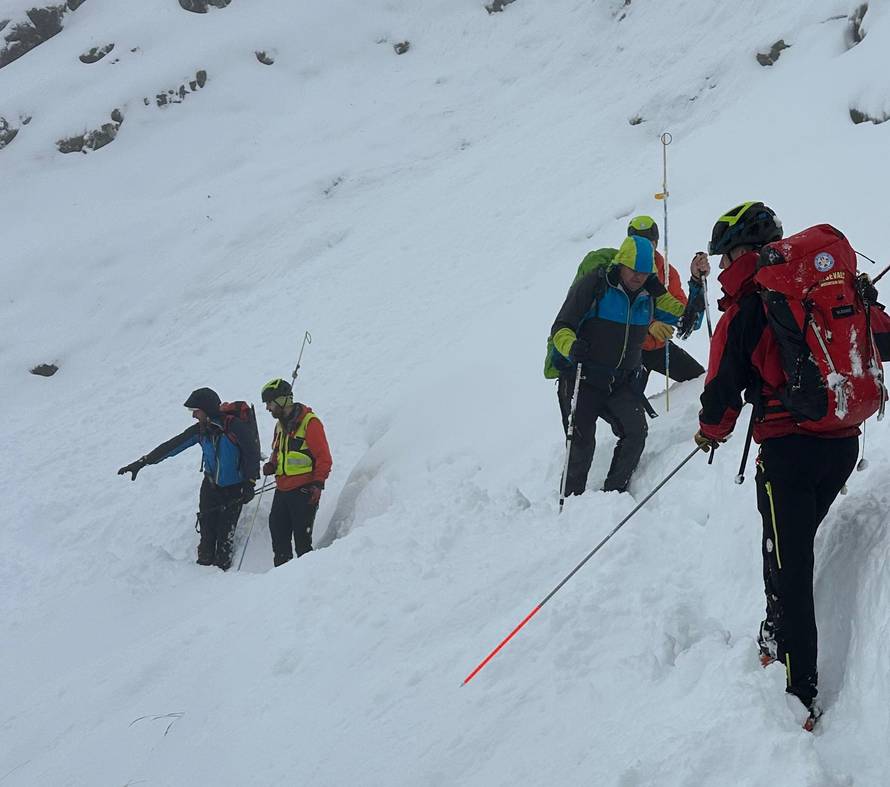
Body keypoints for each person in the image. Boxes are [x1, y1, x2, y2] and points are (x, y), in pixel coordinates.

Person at [694, 201, 890, 727]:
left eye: (725, 256)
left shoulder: (748, 308)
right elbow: (883, 335)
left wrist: (711, 432)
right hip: (842, 443)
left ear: (738, 253)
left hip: (788, 453)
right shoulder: (819, 293)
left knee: (791, 564)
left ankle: (799, 691)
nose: (723, 267)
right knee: (787, 550)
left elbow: (721, 389)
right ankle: (775, 631)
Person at [548, 234, 693, 495]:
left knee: (636, 433)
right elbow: (561, 326)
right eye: (632, 270)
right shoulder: (595, 285)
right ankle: (570, 503)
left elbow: (685, 316)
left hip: (620, 381)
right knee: (581, 444)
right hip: (581, 377)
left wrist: (696, 284)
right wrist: (571, 346)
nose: (637, 277)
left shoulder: (651, 293)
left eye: (643, 272)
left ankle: (613, 495)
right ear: (620, 264)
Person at [117, 387, 260, 570]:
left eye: (196, 411)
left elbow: (251, 453)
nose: (193, 416)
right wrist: (143, 462)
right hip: (210, 487)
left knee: (225, 537)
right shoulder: (201, 430)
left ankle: (223, 578)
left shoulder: (233, 427)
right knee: (207, 534)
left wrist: (250, 483)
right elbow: (172, 446)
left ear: (207, 409)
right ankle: (201, 573)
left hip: (234, 489)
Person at [627, 216, 710, 384]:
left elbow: (690, 321)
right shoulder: (621, 270)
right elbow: (617, 311)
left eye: (649, 243)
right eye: (638, 243)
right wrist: (649, 325)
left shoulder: (667, 273)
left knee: (700, 380)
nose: (644, 249)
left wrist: (697, 281)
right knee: (628, 397)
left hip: (659, 346)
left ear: (656, 243)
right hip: (629, 349)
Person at [260, 378, 332, 567]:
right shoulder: (279, 426)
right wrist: (272, 464)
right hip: (282, 491)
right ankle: (281, 577)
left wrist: (318, 484)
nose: (267, 408)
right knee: (279, 539)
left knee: (302, 543)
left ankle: (307, 578)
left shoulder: (310, 423)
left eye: (269, 403)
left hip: (304, 492)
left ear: (282, 400)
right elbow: (278, 451)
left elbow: (324, 457)